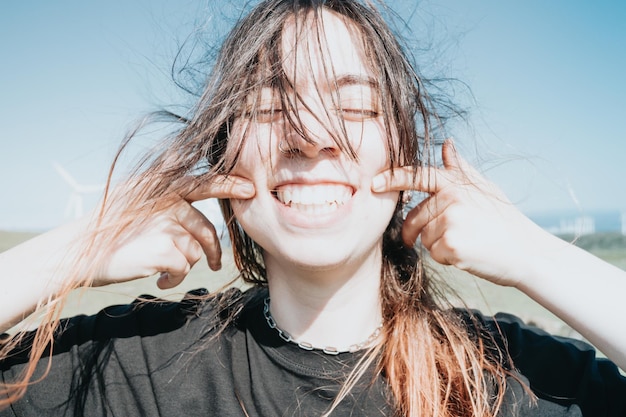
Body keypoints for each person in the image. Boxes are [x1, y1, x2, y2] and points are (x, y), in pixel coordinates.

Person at [1, 1, 625, 416]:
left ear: (404, 151)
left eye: (355, 106)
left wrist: (538, 259)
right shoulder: (130, 365)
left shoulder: (507, 379)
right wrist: (74, 252)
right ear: (223, 157)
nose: (312, 135)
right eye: (271, 107)